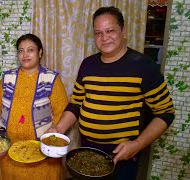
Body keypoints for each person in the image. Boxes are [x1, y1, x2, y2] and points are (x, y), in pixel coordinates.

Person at [46, 6, 175, 180]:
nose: (104, 38)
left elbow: (165, 113)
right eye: (98, 33)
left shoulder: (144, 66)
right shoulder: (88, 64)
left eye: (110, 31)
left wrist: (136, 145)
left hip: (122, 153)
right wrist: (58, 129)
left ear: (123, 31)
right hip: (87, 148)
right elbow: (76, 103)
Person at [0, 33, 68, 180]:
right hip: (10, 149)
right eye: (21, 50)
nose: (25, 55)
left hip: (42, 151)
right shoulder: (7, 77)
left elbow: (62, 112)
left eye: (30, 50)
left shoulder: (51, 79)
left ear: (40, 52)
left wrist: (52, 137)